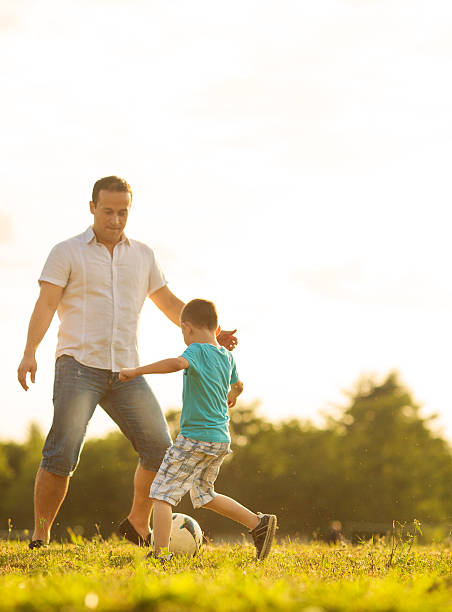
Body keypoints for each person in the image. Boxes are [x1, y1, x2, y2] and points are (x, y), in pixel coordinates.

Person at [17, 176, 237, 549]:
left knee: (160, 448)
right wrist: (29, 351)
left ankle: (137, 524)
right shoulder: (66, 251)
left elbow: (169, 302)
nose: (116, 219)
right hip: (78, 365)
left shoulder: (143, 255)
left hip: (126, 370)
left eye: (123, 212)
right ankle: (41, 536)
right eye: (108, 211)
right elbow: (47, 303)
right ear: (92, 208)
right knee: (62, 451)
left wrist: (210, 333)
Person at [119, 298, 277, 561]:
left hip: (194, 438)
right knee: (204, 494)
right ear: (217, 329)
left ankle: (159, 554)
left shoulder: (196, 351)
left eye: (183, 331)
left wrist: (136, 371)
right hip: (219, 441)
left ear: (187, 327)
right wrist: (232, 394)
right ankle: (257, 523)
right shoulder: (227, 357)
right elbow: (239, 386)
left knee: (161, 493)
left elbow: (176, 364)